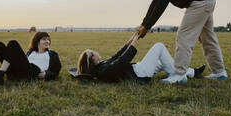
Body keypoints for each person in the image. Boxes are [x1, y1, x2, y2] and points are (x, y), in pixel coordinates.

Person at [136, 0, 227, 84]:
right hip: (206, 1)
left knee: (183, 37)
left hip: (200, 3)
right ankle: (219, 72)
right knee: (207, 38)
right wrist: (144, 24)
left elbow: (161, 5)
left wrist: (147, 27)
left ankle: (179, 75)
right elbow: (155, 2)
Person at [76, 33, 205, 84]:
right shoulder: (102, 70)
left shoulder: (101, 65)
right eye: (93, 52)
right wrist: (134, 43)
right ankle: (175, 78)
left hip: (138, 68)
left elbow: (116, 56)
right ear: (92, 59)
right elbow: (121, 61)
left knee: (161, 62)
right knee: (159, 46)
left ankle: (191, 72)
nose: (96, 52)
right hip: (140, 73)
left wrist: (129, 41)